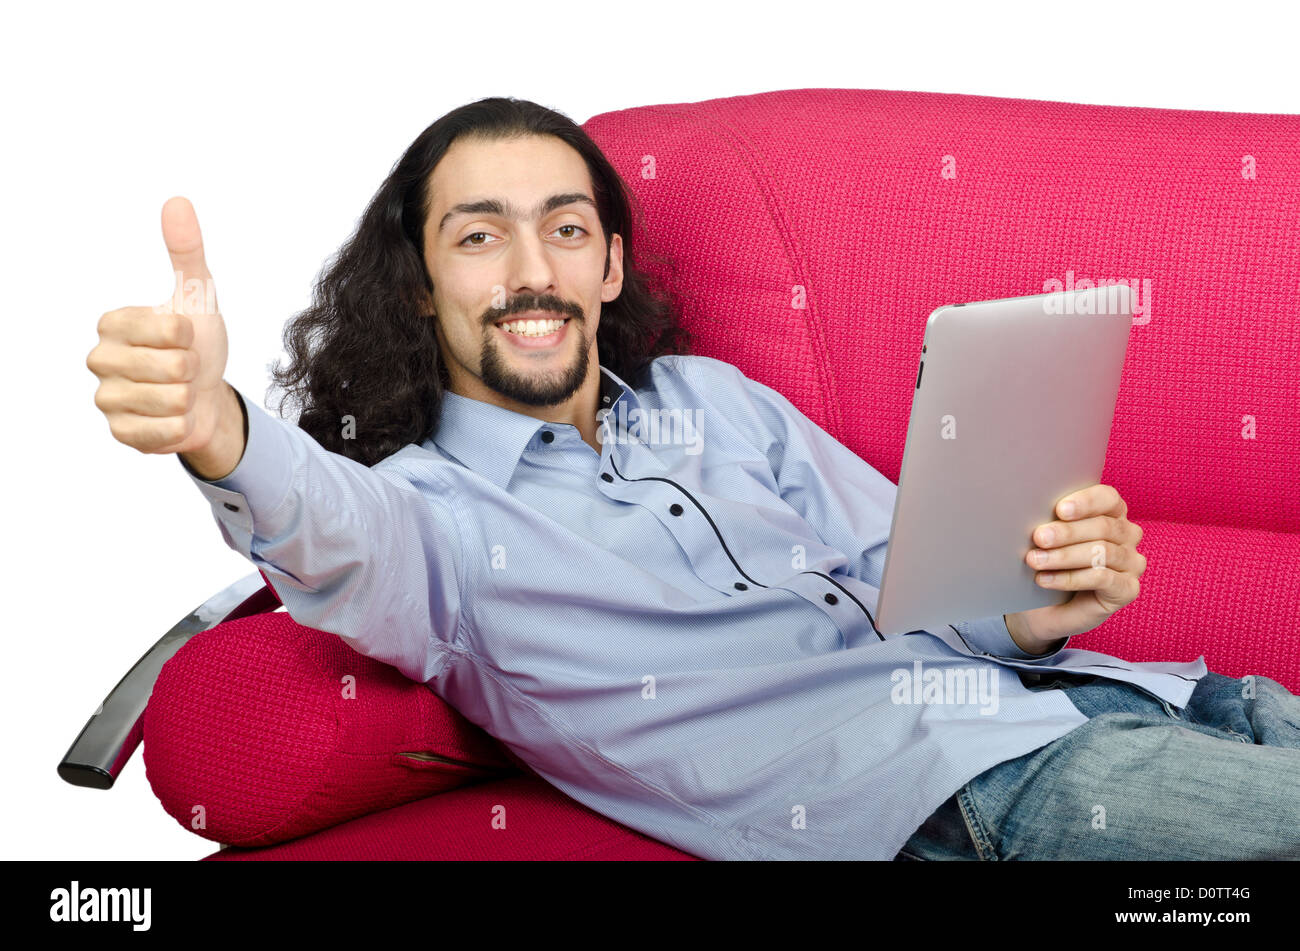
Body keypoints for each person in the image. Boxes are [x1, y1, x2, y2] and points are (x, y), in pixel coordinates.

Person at [85, 96, 1300, 861]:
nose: (531, 269)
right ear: (418, 285)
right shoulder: (432, 517)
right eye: (479, 235)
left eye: (566, 229)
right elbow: (325, 522)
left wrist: (1031, 606)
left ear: (610, 266)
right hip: (972, 791)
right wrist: (218, 427)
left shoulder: (712, 401)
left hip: (1154, 699)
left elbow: (908, 572)